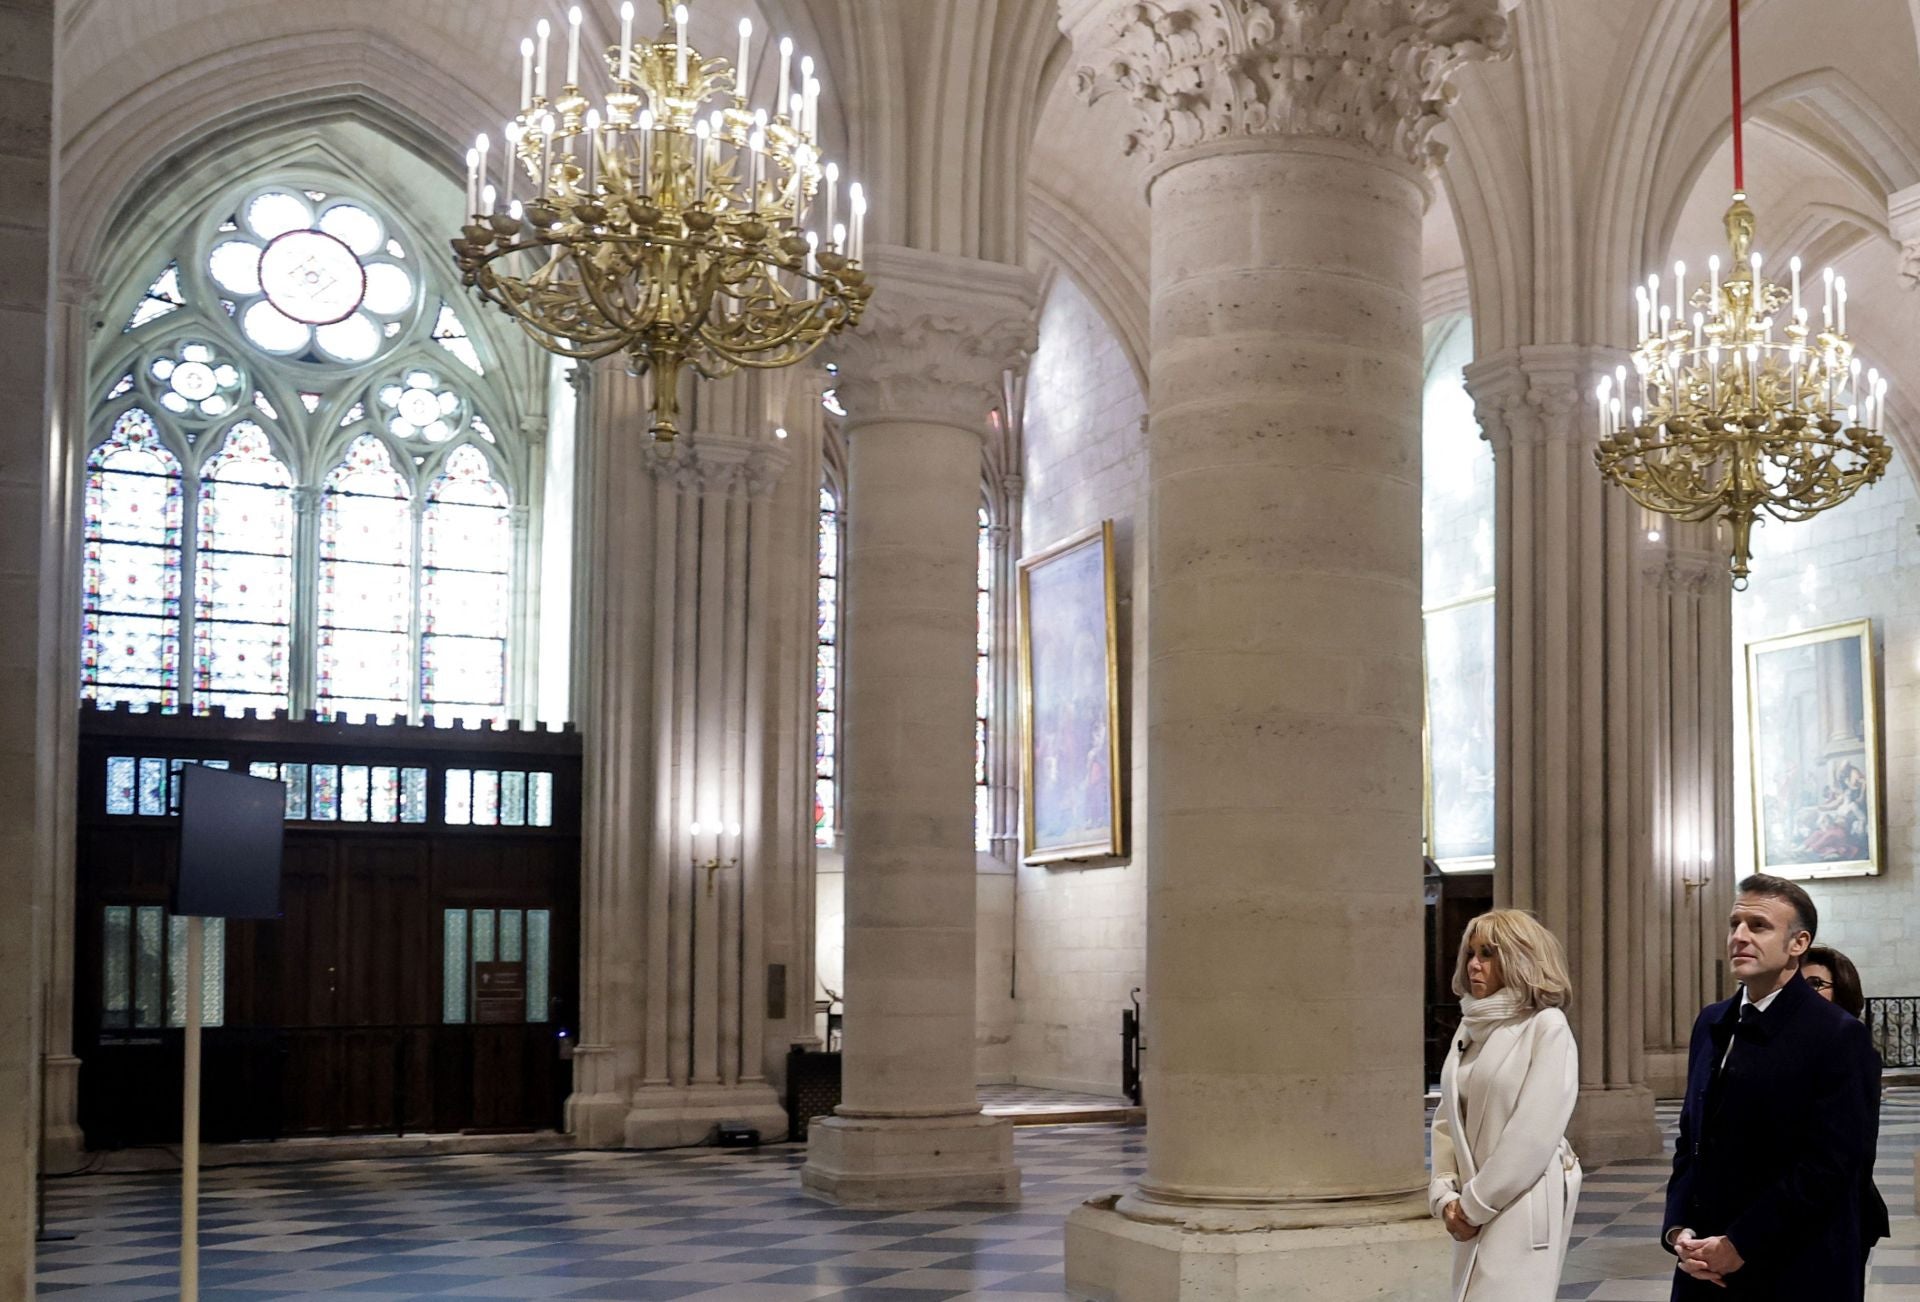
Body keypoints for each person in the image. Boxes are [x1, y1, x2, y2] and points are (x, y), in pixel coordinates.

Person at [1663, 875, 1881, 1299]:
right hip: (1703, 1262)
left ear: (1797, 943)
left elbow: (1830, 1165)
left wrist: (1740, 1242)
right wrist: (1678, 1231)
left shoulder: (1836, 1034)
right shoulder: (1711, 1021)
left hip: (1794, 1263)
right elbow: (1692, 1139)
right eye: (1734, 924)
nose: (1739, 936)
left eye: (1758, 926)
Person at [1429, 909, 1582, 1301]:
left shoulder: (1545, 1026)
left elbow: (1533, 1133)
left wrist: (1475, 1205)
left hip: (1518, 1201)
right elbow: (1447, 1122)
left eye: (1488, 954)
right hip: (1469, 1205)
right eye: (1471, 953)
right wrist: (1444, 1195)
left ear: (1519, 958)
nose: (1474, 964)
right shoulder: (1470, 1027)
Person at [1799, 944, 1889, 1270]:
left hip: (1835, 1216)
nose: (1802, 993)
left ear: (1843, 991)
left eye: (1814, 984)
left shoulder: (1852, 1050)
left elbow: (1854, 1153)